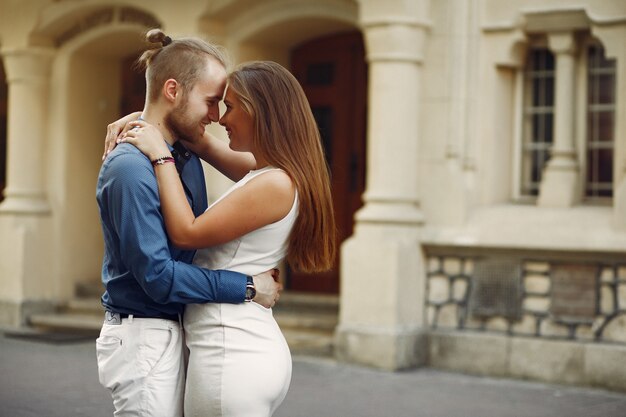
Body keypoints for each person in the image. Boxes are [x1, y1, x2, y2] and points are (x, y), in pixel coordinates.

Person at [118, 60, 336, 417]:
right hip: (242, 349)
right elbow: (200, 141)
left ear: (260, 112)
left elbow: (186, 233)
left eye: (230, 106)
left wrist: (160, 156)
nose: (220, 118)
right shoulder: (270, 173)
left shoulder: (274, 183)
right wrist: (144, 119)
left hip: (231, 356)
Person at [96, 30, 281, 417]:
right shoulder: (130, 168)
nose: (215, 117)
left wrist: (138, 118)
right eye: (211, 102)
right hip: (142, 336)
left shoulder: (183, 151)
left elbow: (271, 168)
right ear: (172, 90)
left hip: (174, 331)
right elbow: (159, 277)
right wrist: (247, 287)